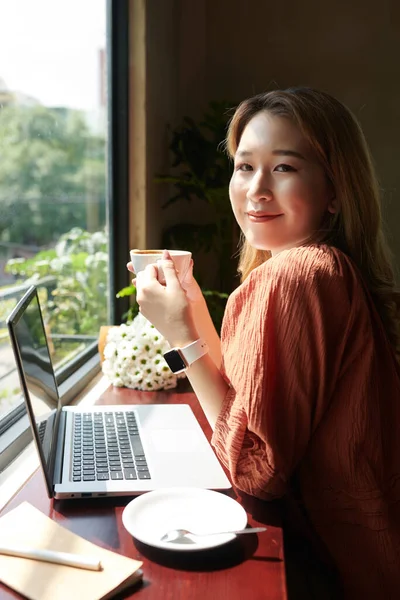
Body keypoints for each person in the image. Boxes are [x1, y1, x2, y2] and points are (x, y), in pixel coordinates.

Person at [128, 87, 400, 599]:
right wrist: (191, 314)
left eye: (284, 168)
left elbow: (254, 469)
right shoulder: (319, 266)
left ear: (336, 190)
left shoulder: (297, 276)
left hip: (343, 571)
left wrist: (179, 335)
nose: (256, 189)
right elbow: (244, 398)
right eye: (244, 165)